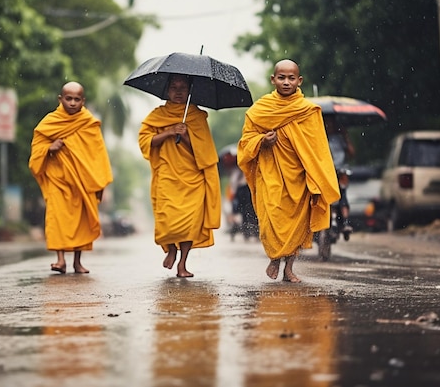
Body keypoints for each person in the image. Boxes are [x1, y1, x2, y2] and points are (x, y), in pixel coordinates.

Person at [237, 59, 340, 282]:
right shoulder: (261, 110)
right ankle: (274, 258)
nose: (286, 82)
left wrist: (317, 179)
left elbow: (318, 148)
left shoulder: (308, 111)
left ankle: (289, 268)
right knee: (272, 216)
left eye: (291, 78)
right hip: (271, 173)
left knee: (298, 223)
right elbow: (245, 141)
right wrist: (261, 141)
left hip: (299, 176)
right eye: (281, 77)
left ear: (299, 80)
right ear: (273, 80)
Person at [138, 74, 221, 278]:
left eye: (183, 87)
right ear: (167, 90)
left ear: (190, 90)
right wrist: (168, 132)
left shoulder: (196, 117)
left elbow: (205, 153)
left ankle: (182, 263)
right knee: (167, 220)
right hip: (167, 175)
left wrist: (184, 137)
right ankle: (171, 250)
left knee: (189, 224)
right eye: (174, 87)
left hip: (192, 178)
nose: (178, 92)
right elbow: (145, 142)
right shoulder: (157, 115)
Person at [29, 82, 113, 274]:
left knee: (81, 221)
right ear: (61, 99)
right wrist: (49, 149)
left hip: (82, 181)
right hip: (57, 179)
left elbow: (98, 154)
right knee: (57, 219)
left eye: (77, 99)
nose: (73, 103)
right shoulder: (50, 122)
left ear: (83, 101)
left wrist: (100, 182)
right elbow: (36, 150)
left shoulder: (88, 123)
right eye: (69, 98)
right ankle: (60, 260)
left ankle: (77, 261)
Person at [324, 116, 356, 235]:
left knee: (342, 196)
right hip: (326, 171)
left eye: (331, 123)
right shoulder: (320, 138)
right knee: (327, 196)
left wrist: (345, 136)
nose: (329, 126)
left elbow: (352, 153)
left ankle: (346, 222)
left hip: (341, 170)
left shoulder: (340, 139)